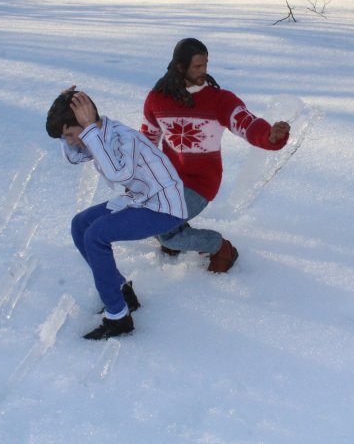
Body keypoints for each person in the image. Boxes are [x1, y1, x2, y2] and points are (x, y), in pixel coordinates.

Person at [46, 88, 187, 339]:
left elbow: (117, 173)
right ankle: (121, 292)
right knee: (81, 225)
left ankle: (118, 317)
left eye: (69, 133)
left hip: (164, 207)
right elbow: (76, 157)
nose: (69, 141)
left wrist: (88, 129)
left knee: (96, 235)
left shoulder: (122, 137)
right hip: (140, 199)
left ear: (86, 121)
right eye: (64, 137)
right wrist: (68, 130)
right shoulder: (99, 134)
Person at [141, 38, 291, 272]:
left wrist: (270, 135)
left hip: (200, 184)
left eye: (206, 65)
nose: (204, 72)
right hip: (167, 181)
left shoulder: (219, 100)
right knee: (146, 221)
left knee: (166, 234)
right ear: (180, 67)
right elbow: (147, 141)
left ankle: (219, 247)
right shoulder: (157, 99)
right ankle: (176, 229)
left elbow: (247, 124)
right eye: (197, 67)